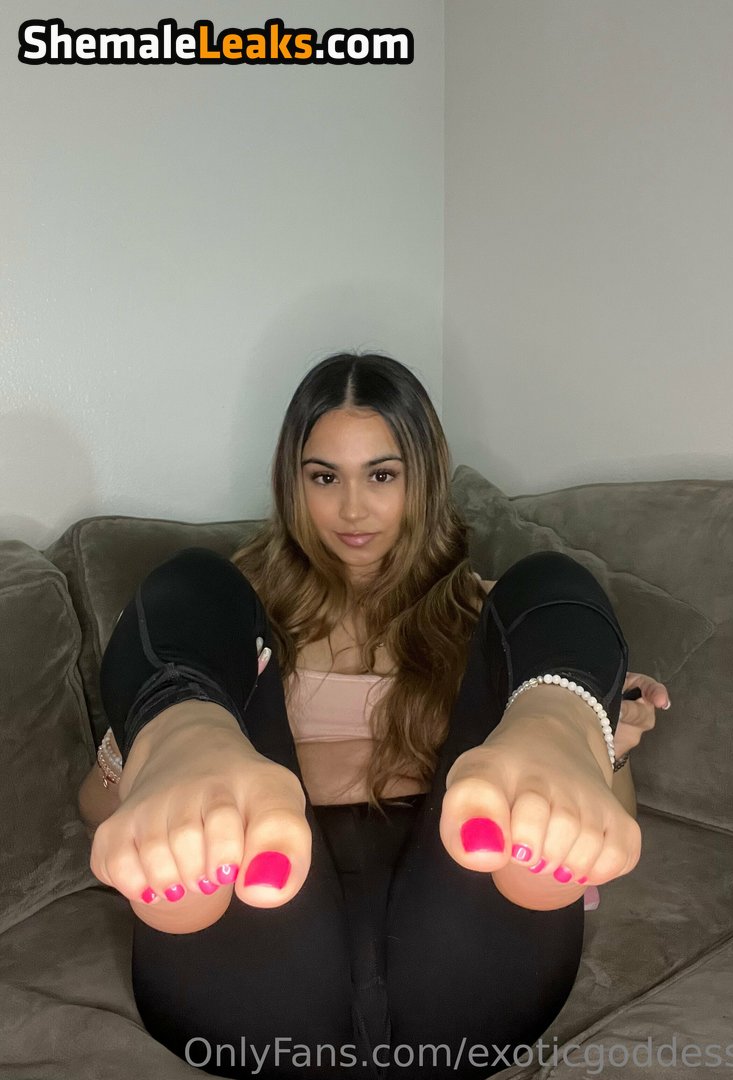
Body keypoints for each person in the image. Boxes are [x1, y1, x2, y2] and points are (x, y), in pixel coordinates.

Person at [79, 353, 668, 1080]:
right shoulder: (229, 618)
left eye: (382, 475)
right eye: (325, 477)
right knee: (193, 579)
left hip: (468, 936)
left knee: (549, 584)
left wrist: (605, 743)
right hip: (257, 938)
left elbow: (615, 820)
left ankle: (558, 721)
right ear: (293, 484)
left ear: (425, 479)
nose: (352, 510)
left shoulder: (491, 619)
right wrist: (152, 763)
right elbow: (95, 805)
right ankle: (186, 737)